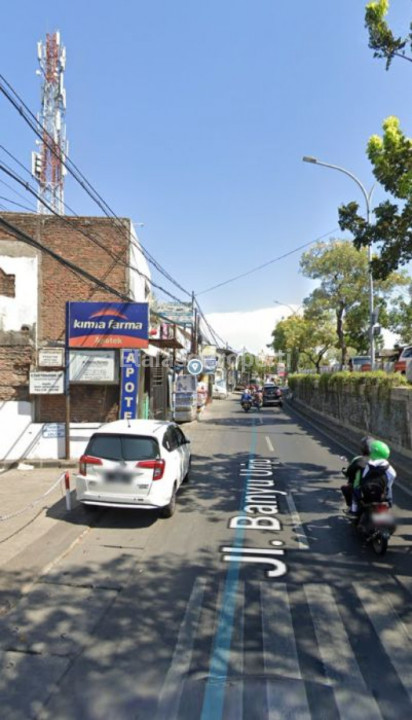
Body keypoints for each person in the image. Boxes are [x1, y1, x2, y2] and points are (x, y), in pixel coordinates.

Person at [350, 439, 396, 515]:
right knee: (389, 489)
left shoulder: (367, 464)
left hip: (367, 492)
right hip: (381, 495)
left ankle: (353, 511)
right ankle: (389, 505)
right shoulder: (390, 469)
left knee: (355, 492)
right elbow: (390, 483)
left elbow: (363, 478)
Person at [341, 436, 373, 508]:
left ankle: (351, 507)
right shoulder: (379, 461)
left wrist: (346, 472)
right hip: (377, 488)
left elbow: (350, 472)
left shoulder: (358, 459)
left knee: (345, 488)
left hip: (359, 487)